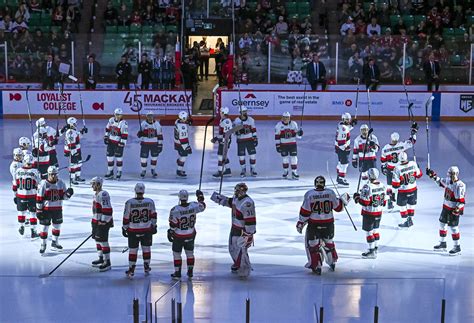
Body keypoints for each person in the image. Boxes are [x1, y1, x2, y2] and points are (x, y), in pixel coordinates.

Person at [296, 176, 350, 275]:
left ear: (315, 183)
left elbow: (305, 212)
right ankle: (332, 261)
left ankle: (317, 265)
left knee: (313, 246)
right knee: (329, 243)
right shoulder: (330, 193)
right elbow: (338, 208)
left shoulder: (310, 194)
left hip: (314, 225)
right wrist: (344, 200)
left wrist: (301, 222)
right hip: (328, 224)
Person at [211, 183, 256, 278]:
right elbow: (229, 202)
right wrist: (216, 197)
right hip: (234, 227)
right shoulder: (236, 199)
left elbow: (250, 219)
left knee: (241, 250)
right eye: (235, 190)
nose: (235, 192)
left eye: (237, 191)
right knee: (232, 249)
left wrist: (249, 234)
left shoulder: (247, 203)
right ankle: (238, 263)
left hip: (243, 230)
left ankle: (244, 269)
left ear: (242, 191)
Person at [426, 166, 465, 256]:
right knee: (442, 224)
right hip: (445, 207)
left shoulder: (460, 185)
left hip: (453, 210)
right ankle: (442, 243)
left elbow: (462, 201)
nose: (449, 175)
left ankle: (457, 247)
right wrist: (432, 175)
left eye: (451, 174)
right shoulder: (448, 181)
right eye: (449, 173)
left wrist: (458, 208)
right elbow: (440, 181)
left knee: (453, 227)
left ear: (455, 174)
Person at [168, 189, 206, 279]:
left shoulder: (175, 210)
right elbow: (203, 206)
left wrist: (170, 232)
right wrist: (200, 197)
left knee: (177, 254)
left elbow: (173, 225)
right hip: (190, 234)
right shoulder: (193, 206)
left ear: (179, 198)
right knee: (190, 253)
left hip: (179, 235)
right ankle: (190, 271)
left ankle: (177, 272)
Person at [123, 183, 157, 278]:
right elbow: (153, 215)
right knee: (146, 249)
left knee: (133, 250)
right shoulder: (150, 202)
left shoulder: (129, 202)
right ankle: (146, 267)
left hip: (133, 230)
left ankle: (131, 269)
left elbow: (126, 216)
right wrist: (153, 225)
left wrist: (125, 227)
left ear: (135, 190)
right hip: (146, 229)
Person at [36, 166, 74, 254]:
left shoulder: (61, 183)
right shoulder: (43, 184)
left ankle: (54, 242)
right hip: (46, 210)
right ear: (48, 174)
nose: (53, 176)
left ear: (57, 174)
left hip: (57, 209)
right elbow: (39, 198)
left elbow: (64, 197)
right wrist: (39, 210)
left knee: (57, 226)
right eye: (51, 174)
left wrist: (68, 194)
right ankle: (43, 244)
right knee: (44, 227)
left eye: (54, 174)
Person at [380, 127, 417, 209]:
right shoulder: (401, 145)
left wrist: (383, 166)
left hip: (390, 169)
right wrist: (413, 133)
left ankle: (390, 201)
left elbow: (383, 159)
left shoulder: (386, 148)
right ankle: (404, 201)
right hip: (400, 169)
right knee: (401, 186)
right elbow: (412, 142)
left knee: (389, 186)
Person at [353, 168, 386, 259]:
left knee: (369, 232)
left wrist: (356, 198)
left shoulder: (367, 186)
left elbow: (365, 202)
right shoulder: (383, 186)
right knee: (376, 230)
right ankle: (375, 247)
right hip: (379, 212)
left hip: (369, 213)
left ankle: (371, 251)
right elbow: (384, 202)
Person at [391, 152, 422, 228]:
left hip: (403, 191)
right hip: (413, 189)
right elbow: (419, 175)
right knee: (411, 204)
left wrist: (393, 193)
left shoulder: (397, 168)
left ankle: (406, 221)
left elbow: (395, 185)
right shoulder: (413, 164)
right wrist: (418, 167)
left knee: (402, 206)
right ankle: (410, 219)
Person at [13, 152, 40, 237]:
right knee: (33, 214)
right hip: (32, 195)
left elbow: (15, 185)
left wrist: (15, 195)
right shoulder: (35, 172)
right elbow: (38, 185)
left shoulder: (18, 171)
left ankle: (21, 226)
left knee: (21, 212)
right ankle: (33, 231)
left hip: (20, 195)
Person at [90, 176, 113, 272]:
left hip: (102, 223)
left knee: (103, 241)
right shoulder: (96, 194)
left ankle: (107, 261)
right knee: (97, 240)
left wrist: (103, 221)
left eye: (94, 184)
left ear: (99, 184)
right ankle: (101, 258)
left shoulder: (103, 194)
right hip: (96, 221)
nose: (92, 186)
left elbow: (108, 209)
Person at [274, 111, 303, 179]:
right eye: (284, 117)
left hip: (292, 144)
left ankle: (294, 172)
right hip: (283, 145)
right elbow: (277, 137)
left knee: (294, 158)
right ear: (282, 118)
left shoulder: (294, 124)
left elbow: (297, 135)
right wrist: (278, 146)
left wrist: (300, 134)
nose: (286, 119)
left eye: (287, 117)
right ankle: (285, 171)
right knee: (285, 159)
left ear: (289, 118)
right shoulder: (278, 125)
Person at [104, 108, 128, 180]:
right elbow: (107, 129)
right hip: (111, 142)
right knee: (109, 157)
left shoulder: (124, 123)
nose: (118, 116)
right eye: (117, 114)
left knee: (119, 158)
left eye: (119, 115)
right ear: (114, 114)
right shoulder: (111, 120)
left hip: (118, 143)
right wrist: (106, 137)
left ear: (121, 115)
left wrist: (122, 143)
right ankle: (110, 171)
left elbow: (125, 134)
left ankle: (119, 171)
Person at [138, 111, 163, 178]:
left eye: (151, 116)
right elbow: (139, 133)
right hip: (145, 144)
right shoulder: (143, 123)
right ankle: (143, 170)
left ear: (153, 116)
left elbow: (160, 135)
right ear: (146, 116)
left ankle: (153, 170)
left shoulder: (157, 124)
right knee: (143, 158)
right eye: (148, 116)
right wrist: (140, 134)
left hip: (154, 144)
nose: (150, 117)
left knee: (154, 158)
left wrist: (160, 145)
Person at [233, 107, 258, 177]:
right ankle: (243, 170)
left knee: (252, 155)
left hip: (250, 140)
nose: (244, 113)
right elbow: (234, 131)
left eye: (245, 111)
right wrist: (238, 131)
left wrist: (255, 138)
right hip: (241, 141)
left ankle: (253, 169)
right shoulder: (237, 120)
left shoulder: (251, 120)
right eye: (243, 112)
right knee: (241, 157)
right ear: (240, 112)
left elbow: (254, 129)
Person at [335, 113, 357, 186]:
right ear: (343, 119)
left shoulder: (341, 124)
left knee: (340, 162)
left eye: (349, 119)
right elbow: (341, 140)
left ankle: (339, 176)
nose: (348, 121)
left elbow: (347, 128)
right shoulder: (343, 128)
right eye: (347, 119)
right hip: (343, 148)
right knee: (344, 164)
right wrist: (344, 148)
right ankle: (341, 178)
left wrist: (352, 125)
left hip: (339, 148)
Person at [64, 117, 87, 185]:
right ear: (71, 124)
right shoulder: (70, 132)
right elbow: (71, 144)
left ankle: (77, 176)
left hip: (77, 150)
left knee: (79, 163)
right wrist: (74, 153)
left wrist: (82, 131)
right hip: (72, 151)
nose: (76, 124)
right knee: (73, 164)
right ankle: (72, 178)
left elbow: (78, 136)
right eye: (74, 123)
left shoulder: (74, 130)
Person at [211, 107, 233, 178]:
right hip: (224, 140)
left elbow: (226, 134)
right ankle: (228, 170)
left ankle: (220, 171)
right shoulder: (223, 120)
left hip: (225, 140)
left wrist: (218, 139)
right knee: (224, 156)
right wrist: (217, 137)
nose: (220, 113)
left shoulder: (226, 121)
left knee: (220, 155)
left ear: (223, 113)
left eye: (221, 112)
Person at [174, 111, 192, 178]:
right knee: (184, 156)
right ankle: (179, 170)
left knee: (182, 155)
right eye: (186, 117)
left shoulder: (177, 121)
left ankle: (179, 162)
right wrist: (187, 147)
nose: (187, 118)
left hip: (177, 142)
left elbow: (182, 121)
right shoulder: (182, 127)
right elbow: (183, 138)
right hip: (181, 144)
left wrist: (187, 122)